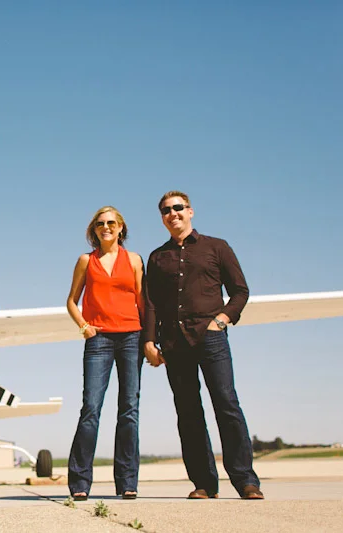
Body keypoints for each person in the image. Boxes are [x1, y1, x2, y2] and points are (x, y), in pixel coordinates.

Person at [143, 190, 264, 500]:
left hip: (210, 336)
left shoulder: (217, 247)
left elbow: (240, 291)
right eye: (167, 210)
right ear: (162, 218)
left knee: (226, 404)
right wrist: (150, 341)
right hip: (174, 341)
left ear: (191, 211)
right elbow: (152, 302)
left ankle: (246, 481)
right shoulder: (158, 257)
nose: (173, 214)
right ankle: (203, 484)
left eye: (178, 208)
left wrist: (221, 320)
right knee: (188, 413)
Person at [66, 206, 144, 501]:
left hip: (131, 338)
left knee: (129, 411)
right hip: (98, 341)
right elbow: (72, 301)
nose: (106, 227)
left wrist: (149, 339)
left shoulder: (134, 260)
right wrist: (84, 326)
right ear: (94, 229)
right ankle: (80, 482)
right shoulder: (86, 261)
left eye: (111, 223)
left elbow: (142, 301)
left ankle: (127, 481)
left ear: (121, 227)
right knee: (91, 409)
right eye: (100, 224)